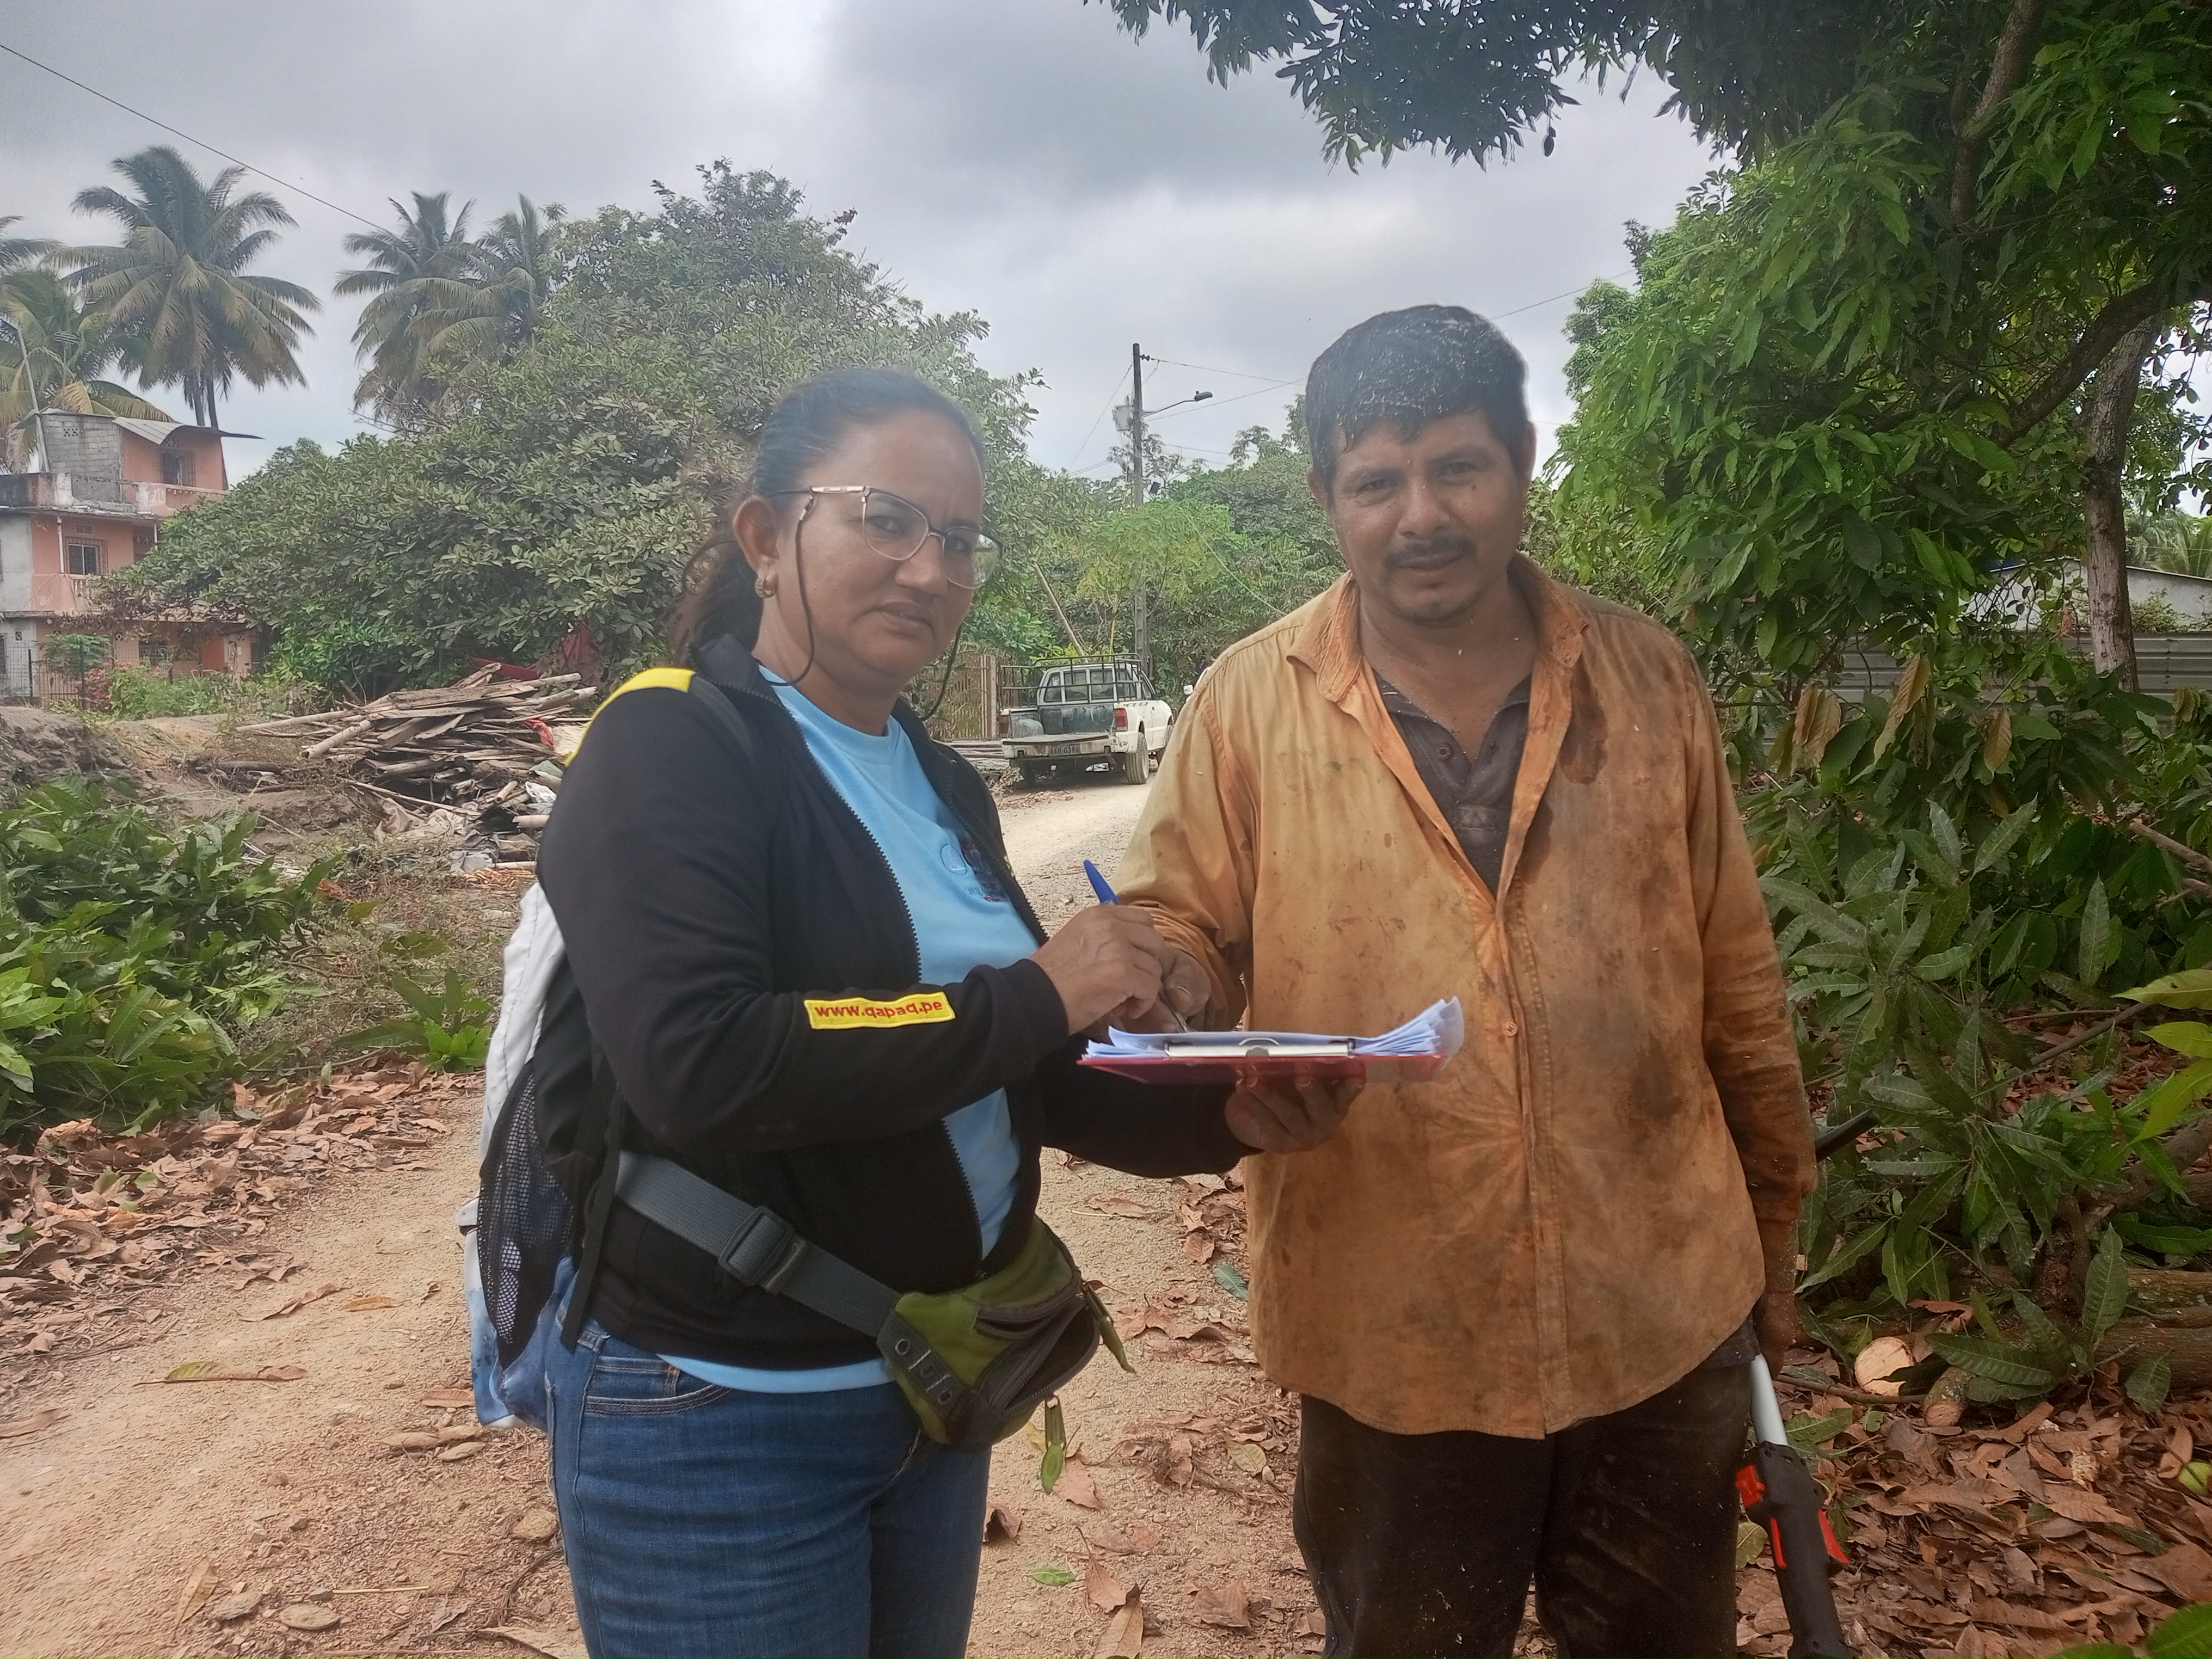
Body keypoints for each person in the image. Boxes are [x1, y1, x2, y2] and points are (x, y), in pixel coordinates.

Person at [531, 366, 1344, 1659]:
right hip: (717, 1412)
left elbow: (1015, 1068)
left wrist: (1226, 1115)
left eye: (959, 539)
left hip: (927, 1381)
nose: (929, 568)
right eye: (887, 519)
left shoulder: (936, 778)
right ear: (766, 535)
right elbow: (702, 1061)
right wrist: (1038, 990)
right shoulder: (674, 744)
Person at [1116, 307, 1817, 1658]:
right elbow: (1177, 924)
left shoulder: (1650, 677)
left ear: (1523, 462)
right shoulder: (1247, 701)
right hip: (1392, 1319)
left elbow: (1736, 980)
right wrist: (1166, 986)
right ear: (1325, 496)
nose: (1420, 516)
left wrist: (1770, 1239)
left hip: (1658, 1300)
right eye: (1376, 482)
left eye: (1457, 469)